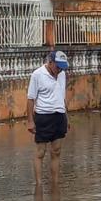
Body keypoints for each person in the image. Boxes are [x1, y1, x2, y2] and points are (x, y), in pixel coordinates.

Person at [27, 51, 70, 186]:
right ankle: (39, 185)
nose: (60, 70)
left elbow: (62, 97)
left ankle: (55, 184)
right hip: (43, 116)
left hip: (59, 116)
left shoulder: (62, 74)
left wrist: (67, 117)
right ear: (50, 62)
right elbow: (30, 99)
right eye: (58, 67)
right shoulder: (37, 75)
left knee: (56, 151)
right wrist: (30, 121)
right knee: (40, 152)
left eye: (62, 67)